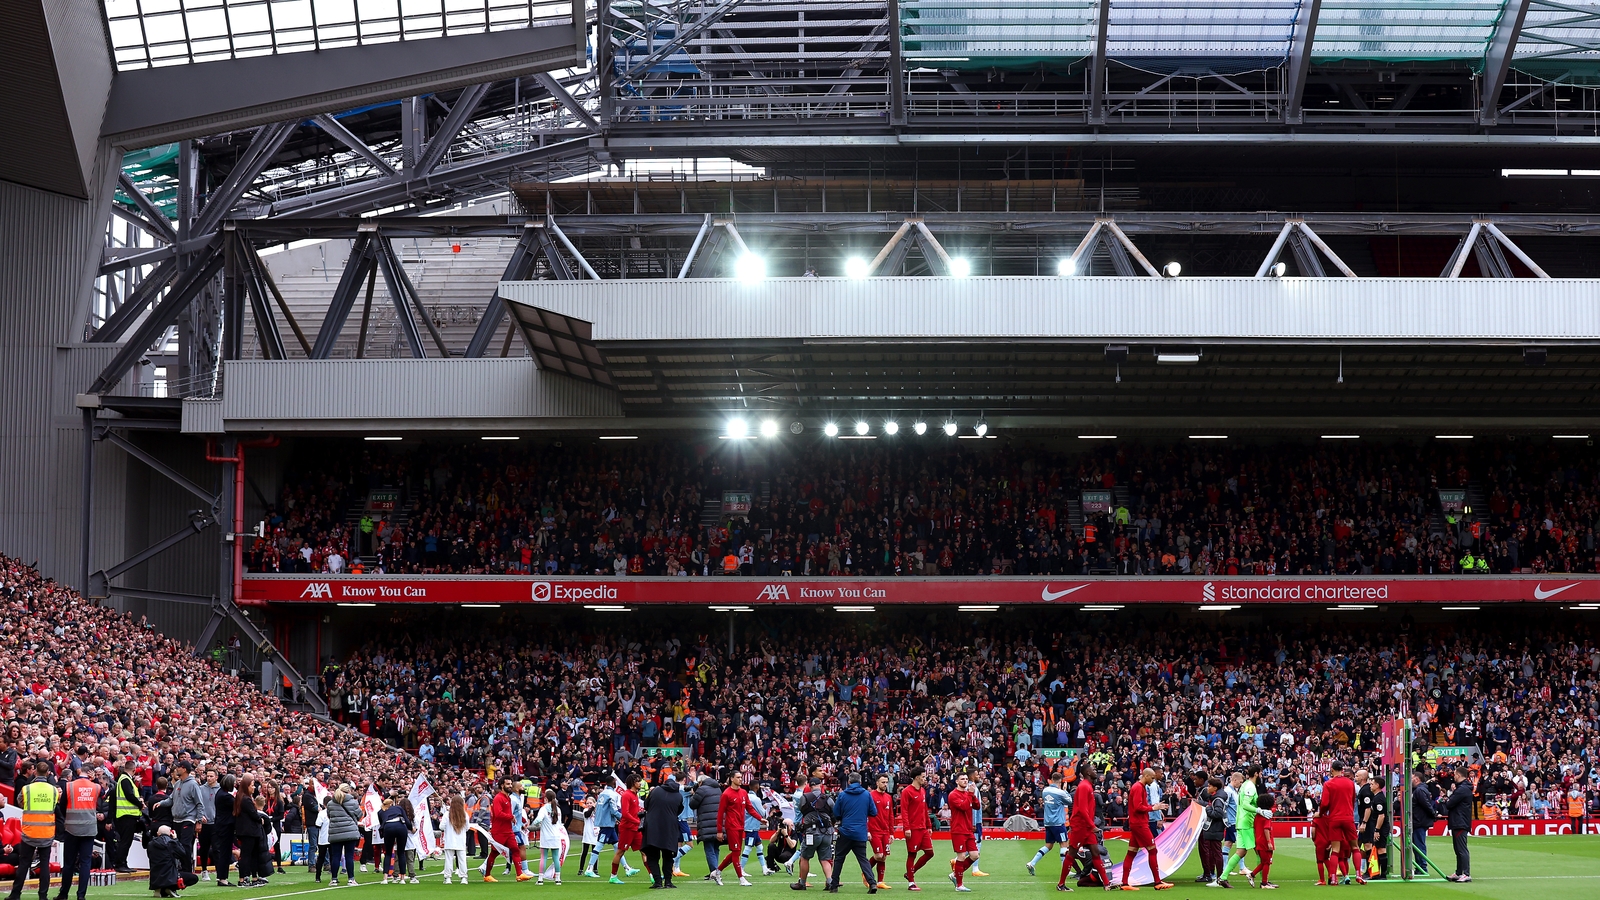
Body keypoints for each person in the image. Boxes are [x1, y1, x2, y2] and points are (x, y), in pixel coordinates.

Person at [8, 760, 58, 900]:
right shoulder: (53, 790)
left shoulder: (26, 788)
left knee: (24, 863)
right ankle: (43, 896)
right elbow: (53, 806)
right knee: (44, 865)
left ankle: (15, 894)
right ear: (48, 773)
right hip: (46, 832)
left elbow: (20, 802)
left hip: (29, 832)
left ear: (35, 772)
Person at [1119, 767, 1172, 891]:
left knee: (1131, 853)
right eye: (1152, 778)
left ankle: (1125, 883)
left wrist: (1155, 806)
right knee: (1153, 851)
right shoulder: (1138, 788)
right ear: (1146, 776)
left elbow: (1139, 806)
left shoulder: (1139, 787)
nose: (1153, 780)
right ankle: (1157, 882)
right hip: (1140, 824)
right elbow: (1138, 807)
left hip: (1137, 823)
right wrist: (1153, 808)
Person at [826, 773, 879, 894]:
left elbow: (836, 813)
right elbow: (874, 812)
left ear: (849, 782)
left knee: (839, 858)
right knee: (863, 859)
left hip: (845, 831)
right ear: (860, 782)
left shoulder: (843, 794)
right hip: (860, 833)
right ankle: (872, 883)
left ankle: (834, 885)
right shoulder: (866, 794)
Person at [1063, 760, 1110, 892]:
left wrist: (1091, 826)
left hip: (1086, 827)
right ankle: (1061, 884)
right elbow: (1083, 810)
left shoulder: (1088, 786)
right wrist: (1093, 826)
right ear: (1088, 772)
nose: (1096, 771)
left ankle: (1107, 883)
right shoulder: (1084, 787)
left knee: (1096, 853)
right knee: (1072, 853)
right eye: (1094, 770)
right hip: (1080, 827)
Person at [56, 765, 100, 900]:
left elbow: (62, 806)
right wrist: (95, 780)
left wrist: (68, 818)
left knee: (69, 862)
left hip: (71, 828)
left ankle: (63, 894)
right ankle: (81, 895)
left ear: (80, 771)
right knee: (85, 862)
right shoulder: (96, 787)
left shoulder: (69, 786)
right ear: (91, 773)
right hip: (89, 828)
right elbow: (101, 797)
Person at [157, 762, 204, 877]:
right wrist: (161, 803)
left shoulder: (193, 785)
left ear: (184, 769)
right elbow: (171, 800)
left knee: (185, 845)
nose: (176, 769)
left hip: (188, 819)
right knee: (177, 845)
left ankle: (187, 870)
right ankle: (181, 868)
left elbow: (199, 803)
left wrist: (199, 821)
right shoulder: (178, 783)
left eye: (178, 767)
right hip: (177, 819)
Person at [715, 770, 761, 885]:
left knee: (736, 853)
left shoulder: (743, 793)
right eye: (738, 777)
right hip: (731, 826)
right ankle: (741, 878)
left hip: (741, 826)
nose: (741, 779)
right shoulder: (726, 794)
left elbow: (749, 808)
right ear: (732, 779)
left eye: (741, 777)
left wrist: (760, 818)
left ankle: (717, 872)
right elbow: (720, 814)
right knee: (736, 853)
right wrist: (719, 831)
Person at [483, 778, 534, 883]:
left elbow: (512, 813)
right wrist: (511, 817)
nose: (510, 786)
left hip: (509, 830)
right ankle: (487, 875)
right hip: (499, 831)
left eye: (511, 784)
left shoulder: (508, 798)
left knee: (515, 850)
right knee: (494, 852)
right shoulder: (498, 798)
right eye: (508, 784)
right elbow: (498, 813)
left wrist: (518, 819)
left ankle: (519, 874)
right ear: (502, 785)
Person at [792, 774, 835, 891]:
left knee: (805, 857)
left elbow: (801, 810)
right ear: (820, 785)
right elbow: (834, 812)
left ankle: (802, 883)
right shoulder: (828, 798)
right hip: (827, 832)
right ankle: (830, 881)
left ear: (810, 786)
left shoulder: (804, 797)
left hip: (811, 832)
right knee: (825, 858)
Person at [1320, 762, 1360, 886]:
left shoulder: (1328, 784)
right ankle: (1358, 875)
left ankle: (1333, 878)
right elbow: (1353, 799)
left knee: (1335, 850)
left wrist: (1321, 813)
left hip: (1335, 819)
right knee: (1355, 847)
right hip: (1348, 818)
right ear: (1342, 770)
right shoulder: (1350, 783)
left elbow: (1325, 803)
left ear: (1332, 770)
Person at [642, 773, 686, 889]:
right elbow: (679, 810)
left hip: (653, 827)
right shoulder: (678, 796)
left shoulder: (655, 791)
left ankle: (657, 882)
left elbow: (646, 805)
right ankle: (668, 882)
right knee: (668, 856)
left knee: (652, 856)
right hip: (669, 828)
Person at [1029, 768, 1072, 877]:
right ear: (1060, 781)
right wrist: (1065, 790)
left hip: (1048, 822)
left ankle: (1032, 862)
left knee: (1049, 845)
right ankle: (1065, 870)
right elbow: (1070, 801)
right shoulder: (1060, 792)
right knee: (1064, 844)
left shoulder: (1045, 791)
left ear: (1052, 780)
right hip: (1058, 822)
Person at [899, 768, 933, 892]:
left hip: (923, 828)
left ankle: (910, 873)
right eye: (923, 777)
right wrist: (907, 828)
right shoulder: (907, 792)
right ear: (917, 777)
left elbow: (925, 809)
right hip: (912, 829)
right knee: (912, 854)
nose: (925, 779)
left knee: (930, 853)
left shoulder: (923, 791)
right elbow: (904, 811)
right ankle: (911, 882)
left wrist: (929, 826)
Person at [324, 784, 364, 886]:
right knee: (349, 856)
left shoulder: (330, 804)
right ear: (348, 791)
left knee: (335, 856)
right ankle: (351, 879)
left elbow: (329, 816)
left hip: (335, 832)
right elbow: (360, 815)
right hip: (350, 831)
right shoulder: (353, 802)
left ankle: (334, 879)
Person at [946, 772, 979, 892]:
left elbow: (977, 806)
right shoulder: (953, 795)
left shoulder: (967, 793)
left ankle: (955, 874)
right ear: (957, 781)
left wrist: (972, 794)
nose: (965, 781)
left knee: (975, 855)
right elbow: (964, 807)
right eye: (962, 779)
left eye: (966, 779)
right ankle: (959, 885)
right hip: (958, 829)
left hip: (968, 829)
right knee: (961, 856)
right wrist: (970, 794)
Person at [110, 761, 145, 874]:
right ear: (134, 770)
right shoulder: (125, 779)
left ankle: (122, 863)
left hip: (126, 815)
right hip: (126, 815)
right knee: (125, 841)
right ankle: (120, 864)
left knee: (126, 841)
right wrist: (140, 804)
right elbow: (129, 796)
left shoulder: (124, 779)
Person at [235, 775, 269, 888]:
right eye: (252, 785)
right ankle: (243, 878)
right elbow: (253, 814)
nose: (253, 788)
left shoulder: (242, 798)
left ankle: (253, 878)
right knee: (247, 855)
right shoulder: (245, 799)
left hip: (247, 831)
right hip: (249, 831)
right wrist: (261, 819)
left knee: (252, 855)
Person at [1227, 766, 1258, 884]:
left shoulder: (1244, 785)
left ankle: (1223, 877)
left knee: (1240, 851)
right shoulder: (1249, 786)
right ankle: (1263, 880)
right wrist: (1259, 810)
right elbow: (1245, 805)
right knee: (1259, 850)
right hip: (1246, 823)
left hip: (1239, 822)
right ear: (1256, 774)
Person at [1356, 769, 1389, 880]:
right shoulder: (1375, 796)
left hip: (1379, 826)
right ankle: (1375, 871)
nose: (1371, 785)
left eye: (1373, 784)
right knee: (1376, 848)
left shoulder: (1378, 798)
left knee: (1379, 848)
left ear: (1378, 785)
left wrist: (1376, 829)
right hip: (1376, 826)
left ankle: (1380, 873)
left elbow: (1381, 815)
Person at [533, 786, 570, 883]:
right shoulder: (558, 809)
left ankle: (540, 879)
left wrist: (534, 825)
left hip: (546, 836)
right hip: (556, 835)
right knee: (555, 857)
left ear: (546, 798)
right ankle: (558, 878)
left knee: (543, 857)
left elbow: (538, 819)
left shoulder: (544, 808)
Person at [1443, 769, 1473, 883]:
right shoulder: (1463, 788)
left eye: (1455, 774)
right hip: (1458, 821)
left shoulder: (1462, 789)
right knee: (1458, 849)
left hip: (1460, 821)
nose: (1453, 776)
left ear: (1459, 775)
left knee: (1461, 849)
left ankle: (1466, 873)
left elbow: (1450, 804)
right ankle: (1459, 872)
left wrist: (1448, 800)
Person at [693, 773, 725, 880]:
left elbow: (692, 804)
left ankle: (714, 871)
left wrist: (694, 793)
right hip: (718, 822)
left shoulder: (701, 790)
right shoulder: (718, 789)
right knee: (715, 847)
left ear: (701, 782)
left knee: (709, 848)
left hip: (707, 823)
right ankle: (716, 870)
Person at [1196, 777, 1226, 887]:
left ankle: (1220, 879)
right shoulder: (1216, 797)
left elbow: (1218, 814)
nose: (1207, 788)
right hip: (1215, 829)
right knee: (1215, 853)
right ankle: (1219, 878)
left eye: (1209, 786)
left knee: (1216, 854)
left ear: (1215, 788)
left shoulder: (1217, 799)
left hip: (1214, 829)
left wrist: (1208, 808)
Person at [867, 774, 895, 889]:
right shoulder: (870, 796)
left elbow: (891, 816)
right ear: (877, 783)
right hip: (874, 830)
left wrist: (892, 833)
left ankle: (880, 882)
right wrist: (867, 830)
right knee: (878, 855)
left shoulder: (888, 797)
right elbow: (866, 814)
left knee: (884, 857)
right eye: (883, 782)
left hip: (885, 831)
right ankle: (866, 871)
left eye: (886, 782)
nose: (885, 784)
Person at [615, 775, 645, 882]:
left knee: (644, 850)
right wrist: (637, 821)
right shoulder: (627, 795)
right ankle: (613, 876)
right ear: (633, 782)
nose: (640, 783)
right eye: (638, 781)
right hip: (627, 828)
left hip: (635, 828)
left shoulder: (635, 795)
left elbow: (633, 812)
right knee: (620, 852)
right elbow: (625, 813)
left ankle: (653, 875)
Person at [1409, 770, 1438, 877]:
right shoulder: (1419, 790)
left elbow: (1426, 805)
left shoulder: (1419, 791)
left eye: (1412, 778)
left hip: (1419, 822)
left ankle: (1422, 867)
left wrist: (1433, 814)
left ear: (1416, 779)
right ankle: (1420, 867)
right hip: (1419, 821)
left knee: (1419, 845)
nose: (1410, 780)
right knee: (1417, 845)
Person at [146, 826, 183, 899]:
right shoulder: (171, 843)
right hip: (170, 878)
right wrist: (176, 839)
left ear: (157, 833)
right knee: (193, 878)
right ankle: (169, 889)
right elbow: (182, 853)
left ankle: (160, 889)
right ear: (170, 833)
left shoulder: (150, 844)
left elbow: (149, 856)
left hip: (155, 878)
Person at [212, 773, 236, 886]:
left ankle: (221, 877)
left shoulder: (220, 793)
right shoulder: (226, 796)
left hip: (221, 826)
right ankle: (222, 878)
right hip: (225, 827)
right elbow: (238, 805)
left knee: (224, 853)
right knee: (225, 854)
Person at [442, 793, 471, 884]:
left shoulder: (447, 814)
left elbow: (441, 826)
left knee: (449, 859)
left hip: (449, 840)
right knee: (462, 860)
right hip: (460, 840)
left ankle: (448, 878)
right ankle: (463, 878)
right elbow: (467, 828)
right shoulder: (465, 814)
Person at [1251, 793, 1277, 890]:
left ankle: (1253, 875)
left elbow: (1255, 829)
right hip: (1265, 842)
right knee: (1267, 862)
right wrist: (1269, 842)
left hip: (1259, 840)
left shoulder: (1258, 815)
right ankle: (1264, 883)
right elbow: (1266, 829)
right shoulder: (1267, 816)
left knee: (1264, 862)